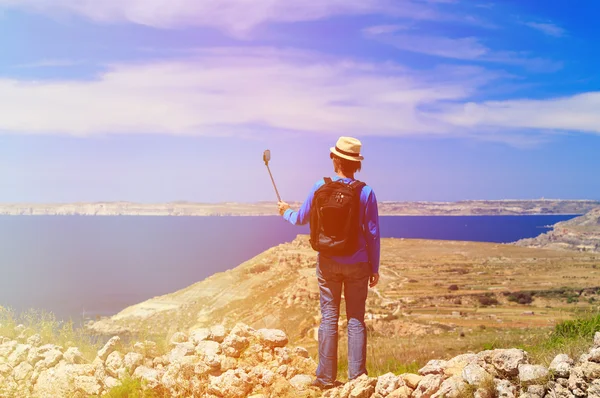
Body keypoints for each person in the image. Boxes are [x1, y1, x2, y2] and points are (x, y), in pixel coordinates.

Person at [277, 136, 380, 389]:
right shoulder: (366, 192)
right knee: (355, 319)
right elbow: (373, 234)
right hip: (358, 264)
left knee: (329, 318)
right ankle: (357, 381)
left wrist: (285, 211)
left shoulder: (319, 186)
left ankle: (324, 378)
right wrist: (374, 267)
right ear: (356, 164)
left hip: (327, 263)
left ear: (335, 159)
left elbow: (301, 218)